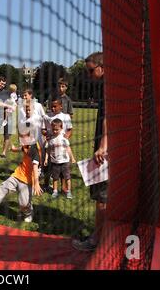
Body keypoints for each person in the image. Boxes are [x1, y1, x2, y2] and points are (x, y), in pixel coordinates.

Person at [72, 51, 107, 252]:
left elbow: (108, 117)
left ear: (102, 68)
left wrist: (103, 145)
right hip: (109, 147)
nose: (89, 75)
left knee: (102, 197)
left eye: (91, 71)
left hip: (105, 151)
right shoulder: (106, 85)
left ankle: (96, 241)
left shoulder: (108, 86)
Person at [0, 121, 43, 223]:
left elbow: (35, 167)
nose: (20, 138)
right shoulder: (26, 144)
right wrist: (14, 149)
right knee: (3, 187)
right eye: (20, 135)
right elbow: (22, 149)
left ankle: (28, 212)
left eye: (23, 136)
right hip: (18, 174)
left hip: (28, 180)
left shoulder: (35, 149)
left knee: (23, 204)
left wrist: (36, 183)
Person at [41, 97, 73, 192]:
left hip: (62, 147)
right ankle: (46, 185)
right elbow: (43, 129)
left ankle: (63, 187)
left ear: (61, 106)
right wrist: (46, 134)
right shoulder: (47, 116)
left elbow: (70, 129)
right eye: (51, 107)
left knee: (62, 166)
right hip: (50, 145)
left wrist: (66, 137)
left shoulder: (66, 117)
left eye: (55, 106)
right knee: (48, 166)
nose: (53, 108)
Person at [44, 119, 76, 199]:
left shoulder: (64, 138)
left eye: (56, 129)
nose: (54, 131)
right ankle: (55, 191)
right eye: (53, 129)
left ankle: (68, 192)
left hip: (65, 162)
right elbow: (48, 150)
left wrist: (72, 158)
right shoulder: (51, 140)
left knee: (67, 177)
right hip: (55, 162)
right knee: (55, 178)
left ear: (61, 128)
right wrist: (46, 159)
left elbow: (68, 148)